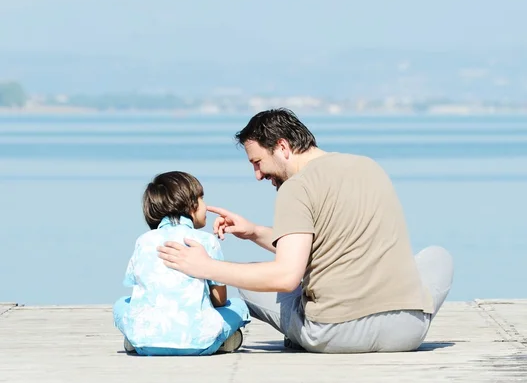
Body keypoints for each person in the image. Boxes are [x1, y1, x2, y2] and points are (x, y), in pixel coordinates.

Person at [157, 109, 454, 354]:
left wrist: (208, 267)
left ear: (283, 147)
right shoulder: (368, 166)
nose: (258, 175)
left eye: (258, 163)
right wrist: (254, 231)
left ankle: (300, 336)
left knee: (247, 282)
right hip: (406, 331)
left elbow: (286, 278)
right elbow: (331, 243)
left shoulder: (296, 188)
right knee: (438, 257)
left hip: (337, 334)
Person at [113, 171, 250, 356]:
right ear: (190, 204)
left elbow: (138, 291)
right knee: (237, 306)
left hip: (145, 341)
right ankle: (222, 341)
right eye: (202, 198)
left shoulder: (143, 241)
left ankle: (134, 338)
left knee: (122, 304)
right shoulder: (206, 241)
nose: (206, 206)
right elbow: (220, 300)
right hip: (198, 341)